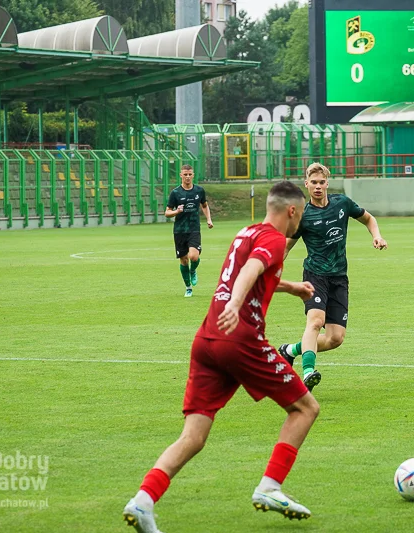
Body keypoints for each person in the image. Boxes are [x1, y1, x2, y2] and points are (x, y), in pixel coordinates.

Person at [123, 181, 319, 533]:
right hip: (240, 339)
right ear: (291, 210)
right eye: (300, 214)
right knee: (306, 408)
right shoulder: (275, 238)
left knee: (194, 436)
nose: (299, 221)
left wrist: (292, 288)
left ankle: (143, 501)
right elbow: (250, 272)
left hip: (207, 339)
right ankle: (270, 486)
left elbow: (252, 271)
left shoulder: (246, 232)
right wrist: (234, 304)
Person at [278, 162, 387, 392]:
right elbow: (286, 246)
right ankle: (308, 372)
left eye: (321, 182)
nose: (318, 187)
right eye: (313, 183)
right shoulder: (302, 215)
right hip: (315, 276)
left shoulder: (342, 203)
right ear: (306, 185)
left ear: (327, 183)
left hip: (339, 277)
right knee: (315, 322)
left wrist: (376, 236)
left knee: (335, 338)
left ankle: (290, 351)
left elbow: (368, 218)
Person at [165, 165, 213, 298]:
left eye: (189, 174)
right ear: (181, 175)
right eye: (185, 174)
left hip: (194, 228)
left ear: (193, 175)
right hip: (179, 230)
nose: (187, 177)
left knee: (194, 256)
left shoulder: (199, 190)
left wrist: (209, 219)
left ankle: (193, 271)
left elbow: (204, 206)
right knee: (184, 260)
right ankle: (188, 288)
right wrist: (176, 211)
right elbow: (167, 212)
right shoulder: (175, 193)